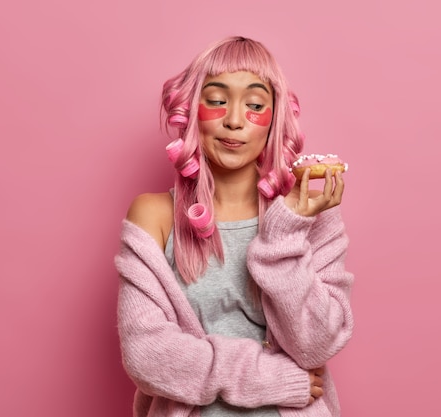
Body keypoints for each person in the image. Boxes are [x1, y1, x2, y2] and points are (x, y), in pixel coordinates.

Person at [115, 36, 354, 417]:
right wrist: (272, 377)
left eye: (255, 105)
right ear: (192, 110)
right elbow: (146, 354)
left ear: (274, 118)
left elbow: (316, 345)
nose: (235, 119)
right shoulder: (154, 215)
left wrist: (283, 232)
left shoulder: (312, 214)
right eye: (216, 100)